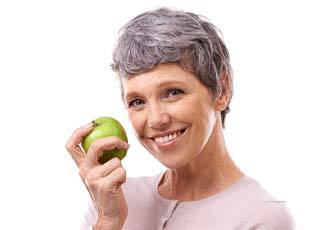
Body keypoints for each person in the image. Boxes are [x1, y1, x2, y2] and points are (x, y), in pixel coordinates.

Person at [66, 7, 295, 230]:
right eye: (137, 101)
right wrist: (108, 222)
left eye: (173, 92)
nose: (156, 119)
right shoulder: (110, 200)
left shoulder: (263, 217)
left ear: (222, 90)